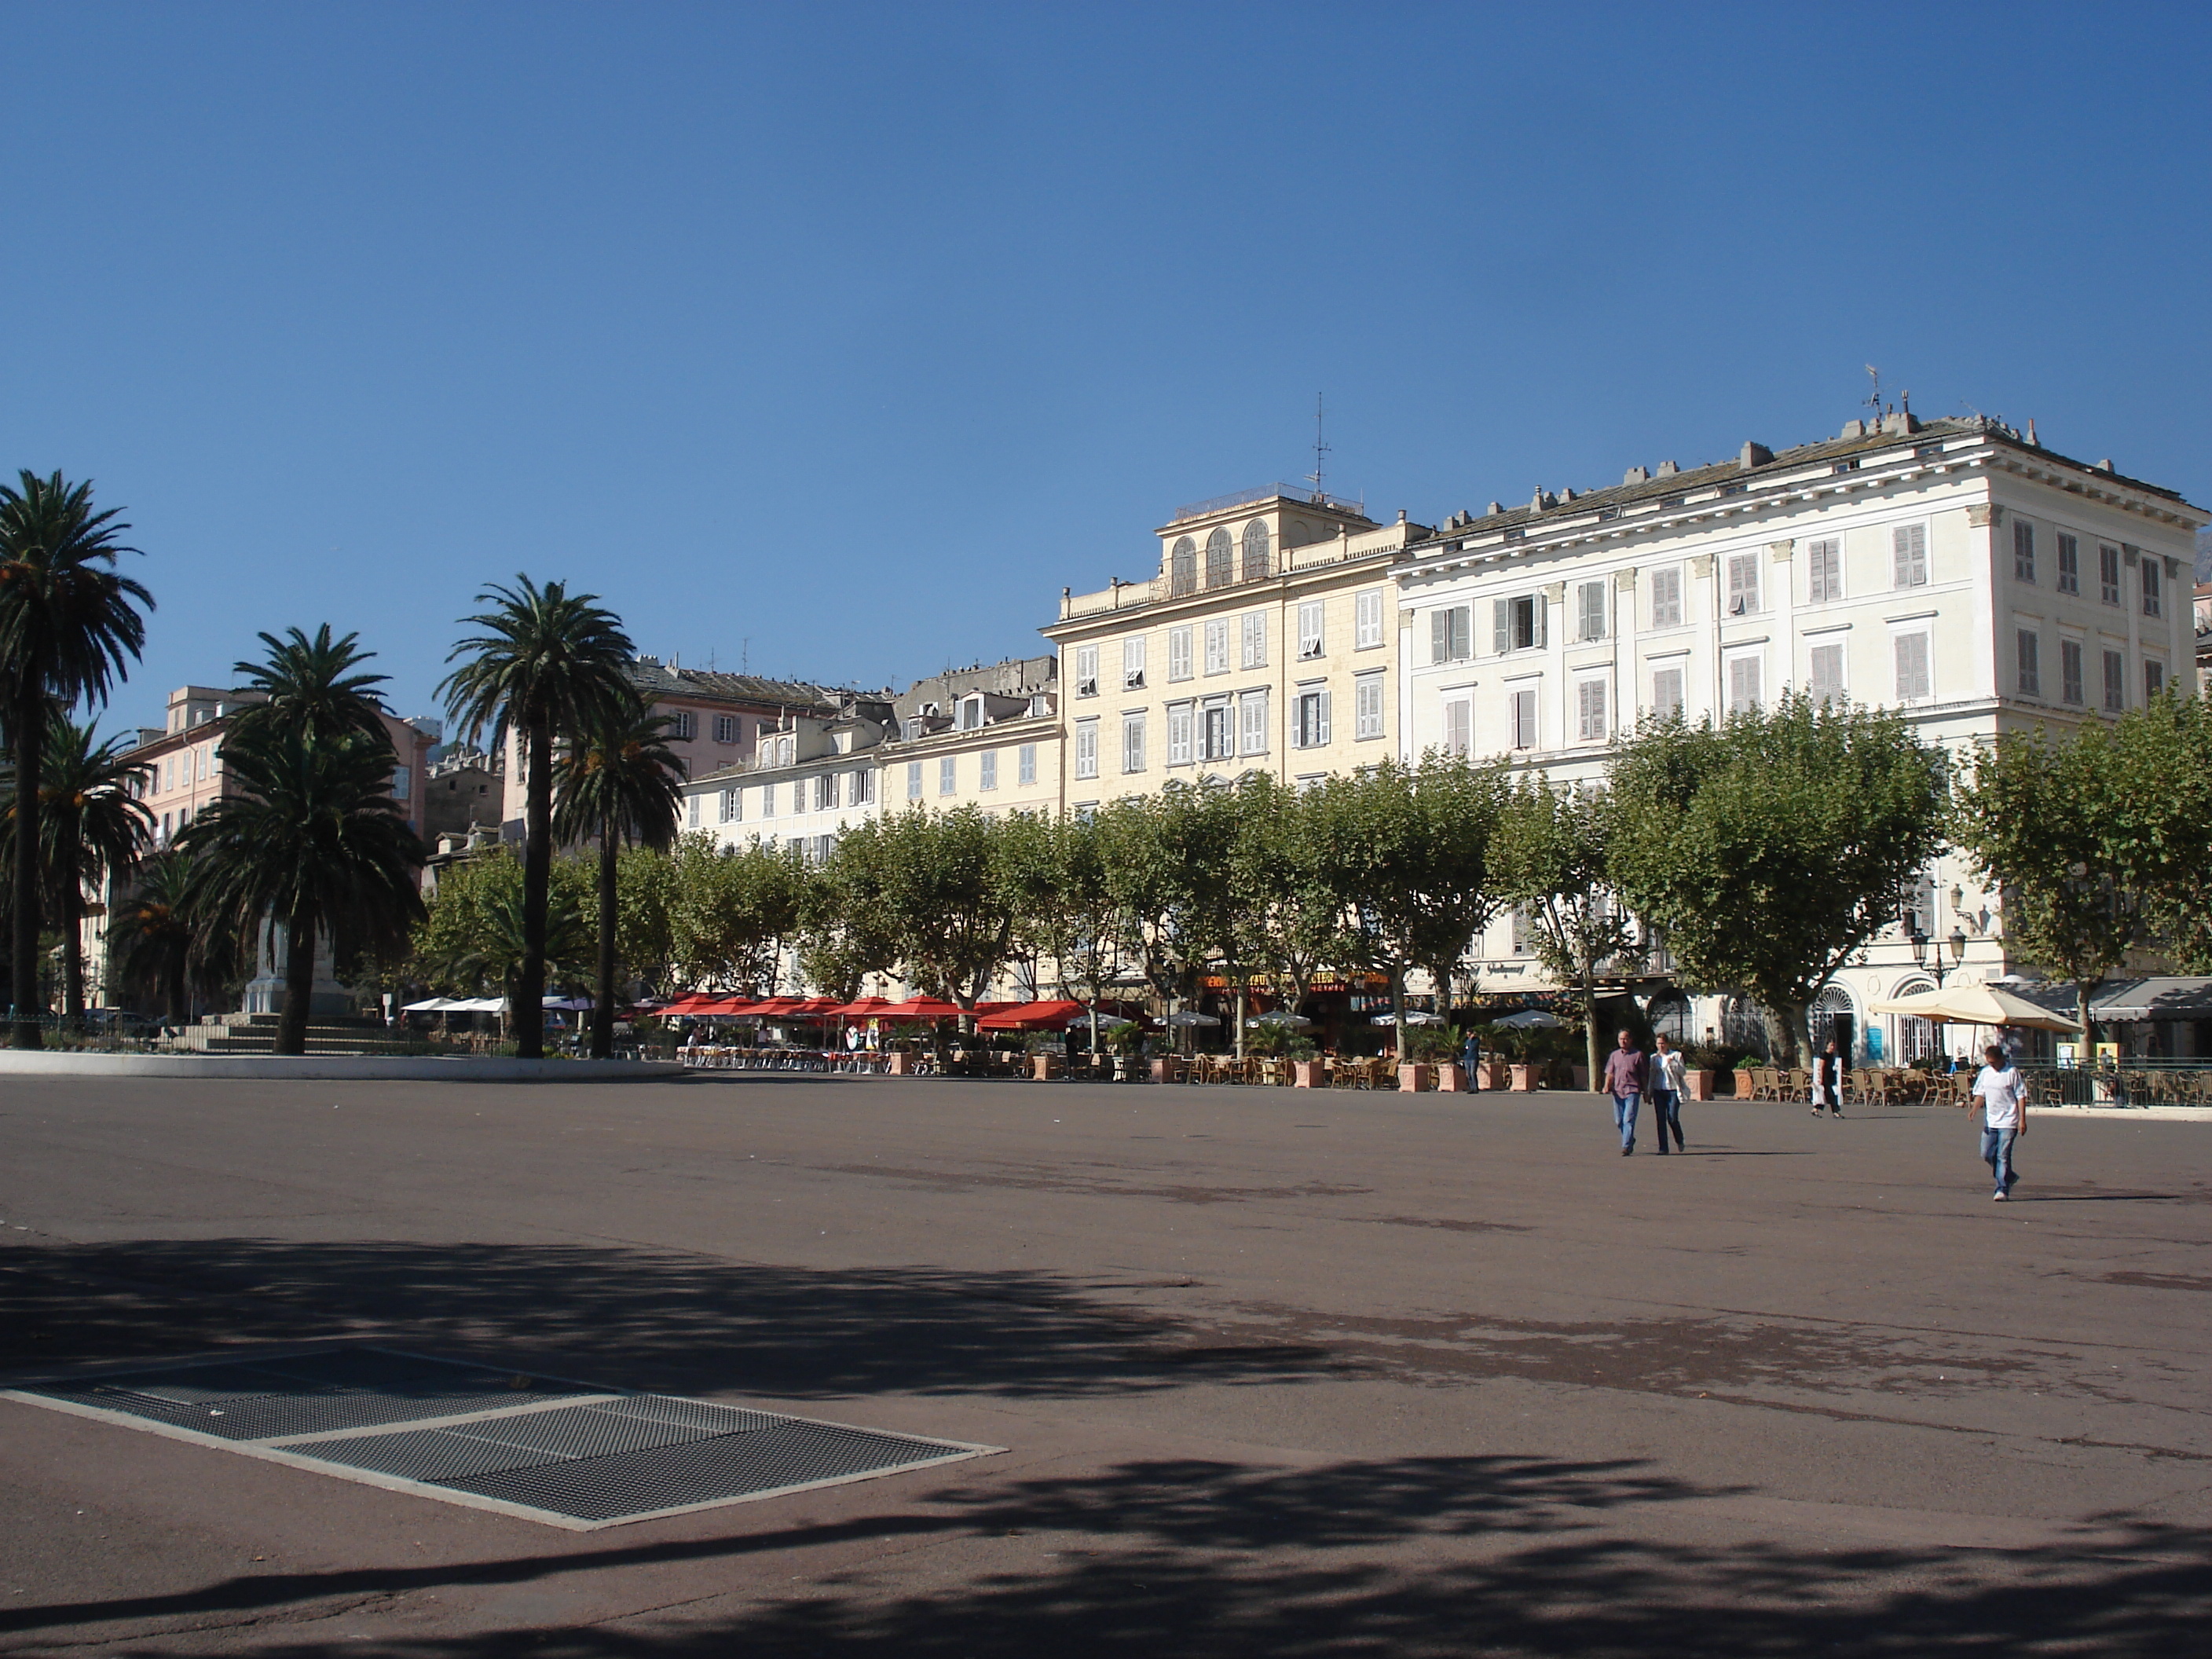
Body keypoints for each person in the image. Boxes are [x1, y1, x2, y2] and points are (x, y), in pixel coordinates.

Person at [1971, 1041, 2027, 1200]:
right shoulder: (1986, 1073)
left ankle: (2002, 1188)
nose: (1992, 1066)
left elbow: (2021, 1096)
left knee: (2003, 1155)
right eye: (1989, 1063)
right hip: (1991, 1121)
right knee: (1986, 1153)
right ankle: (2008, 1175)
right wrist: (1974, 1109)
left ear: (2001, 1059)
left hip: (2009, 1121)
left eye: (1994, 1063)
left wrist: (2022, 1120)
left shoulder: (2011, 1072)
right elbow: (1980, 1093)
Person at [1602, 1029, 1647, 1156]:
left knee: (1628, 1119)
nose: (1623, 1041)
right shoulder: (1614, 1055)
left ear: (1631, 1040)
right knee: (1619, 1120)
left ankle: (1626, 1146)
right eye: (1621, 1039)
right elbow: (1610, 1073)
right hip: (1618, 1091)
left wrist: (1646, 1092)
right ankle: (1629, 1138)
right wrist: (1606, 1086)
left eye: (1626, 1039)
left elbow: (1643, 1075)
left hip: (1632, 1091)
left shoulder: (1638, 1055)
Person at [1650, 1033, 1686, 1152]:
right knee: (1660, 1119)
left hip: (1673, 1091)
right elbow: (1652, 1076)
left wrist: (1673, 1063)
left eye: (1663, 1044)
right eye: (1659, 1043)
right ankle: (1663, 1148)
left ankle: (1679, 1139)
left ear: (1667, 1044)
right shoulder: (1654, 1058)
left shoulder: (1676, 1055)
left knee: (1672, 1118)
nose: (1661, 1046)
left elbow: (1683, 1072)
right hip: (1659, 1091)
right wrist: (1649, 1092)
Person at [1811, 1038, 1846, 1118]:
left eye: (1834, 1045)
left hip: (1830, 1076)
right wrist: (1820, 1078)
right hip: (1825, 1077)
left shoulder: (1832, 1055)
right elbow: (1821, 1067)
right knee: (1831, 1095)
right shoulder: (1824, 1055)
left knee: (1826, 1096)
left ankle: (1815, 1109)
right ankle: (1836, 1112)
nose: (1833, 1047)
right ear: (1827, 1046)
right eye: (1831, 1045)